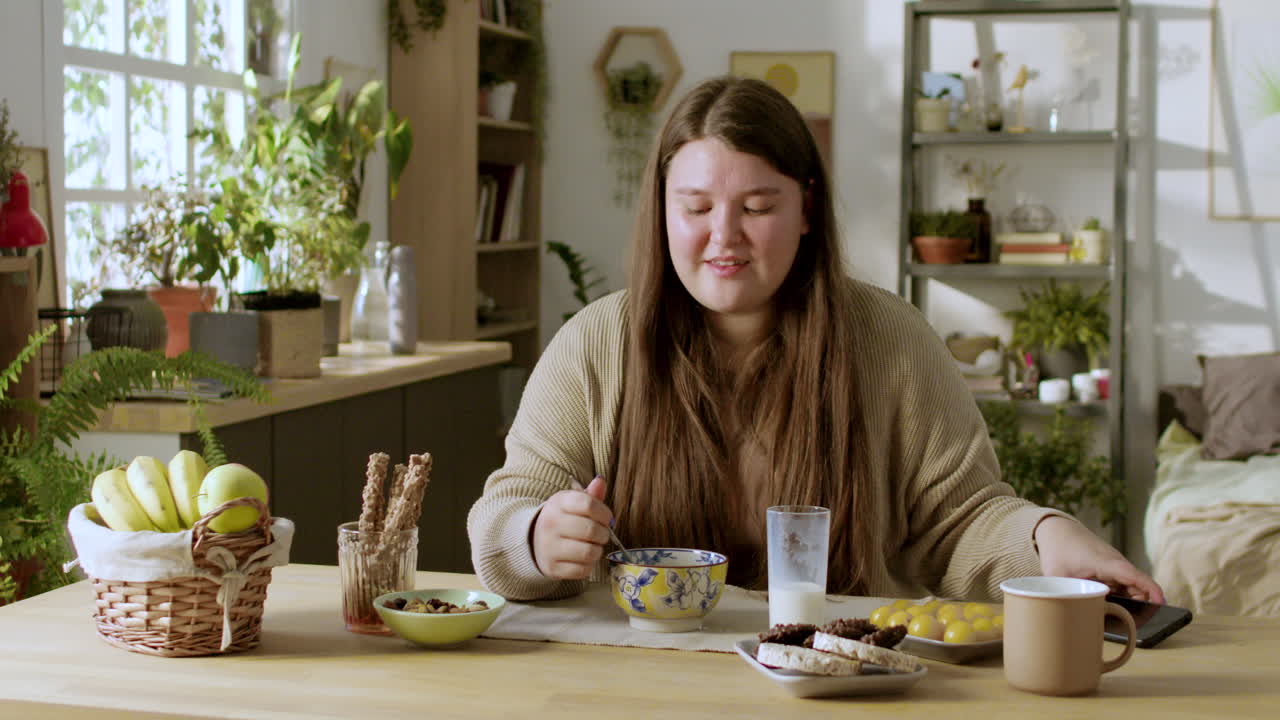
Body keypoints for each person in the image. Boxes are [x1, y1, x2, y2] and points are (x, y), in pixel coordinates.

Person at [467, 75, 1164, 606]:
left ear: (806, 209)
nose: (724, 237)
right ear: (662, 210)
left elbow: (960, 521)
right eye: (696, 207)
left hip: (840, 674)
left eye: (757, 207)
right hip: (645, 679)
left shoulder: (890, 340)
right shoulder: (597, 343)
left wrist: (1046, 537)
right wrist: (536, 537)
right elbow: (503, 514)